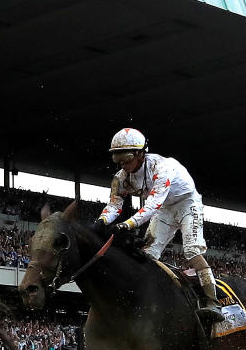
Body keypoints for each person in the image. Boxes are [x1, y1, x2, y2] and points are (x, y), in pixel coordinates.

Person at [95, 128, 225, 324]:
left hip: (187, 204)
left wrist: (126, 225)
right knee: (148, 253)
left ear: (140, 153)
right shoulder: (120, 178)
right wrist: (102, 221)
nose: (122, 164)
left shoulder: (162, 168)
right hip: (164, 208)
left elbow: (151, 205)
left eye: (126, 158)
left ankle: (212, 301)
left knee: (191, 250)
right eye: (118, 159)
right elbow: (115, 204)